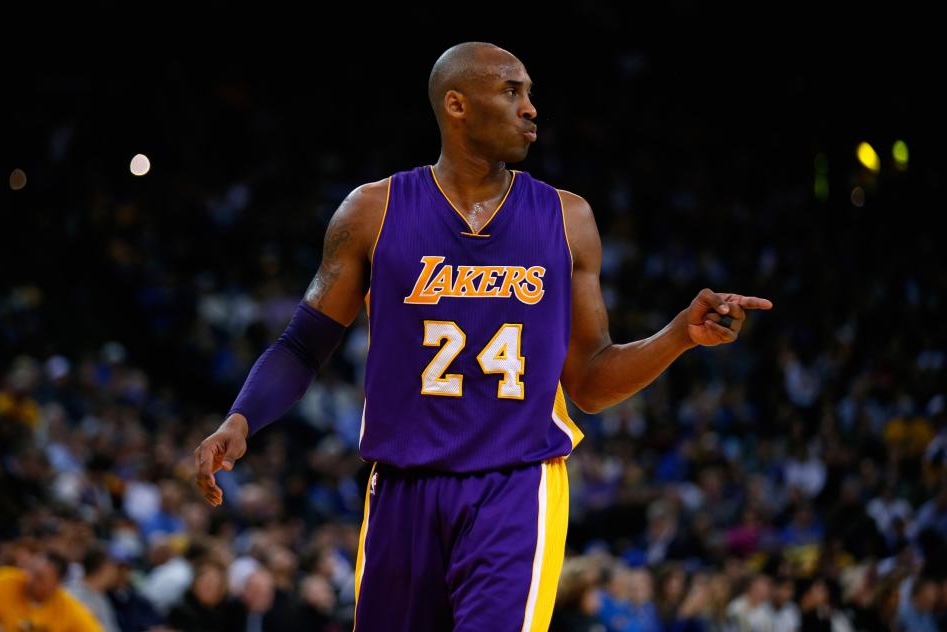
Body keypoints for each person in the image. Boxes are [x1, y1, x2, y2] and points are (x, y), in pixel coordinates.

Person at [193, 41, 773, 632]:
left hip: (516, 485)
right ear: (457, 105)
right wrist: (241, 419)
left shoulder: (568, 219)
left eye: (530, 94)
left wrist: (678, 335)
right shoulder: (372, 212)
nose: (531, 109)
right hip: (402, 487)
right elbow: (301, 345)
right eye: (512, 91)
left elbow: (592, 384)